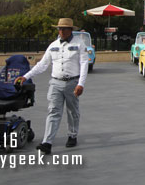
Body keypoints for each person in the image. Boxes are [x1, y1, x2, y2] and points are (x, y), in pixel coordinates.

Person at [15, 18, 89, 155]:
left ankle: (72, 135)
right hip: (55, 82)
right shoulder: (53, 45)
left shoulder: (79, 44)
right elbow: (42, 65)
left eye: (64, 28)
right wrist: (26, 76)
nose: (61, 31)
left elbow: (84, 63)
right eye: (59, 28)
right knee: (53, 111)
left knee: (72, 111)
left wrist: (81, 84)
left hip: (72, 82)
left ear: (70, 30)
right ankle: (47, 142)